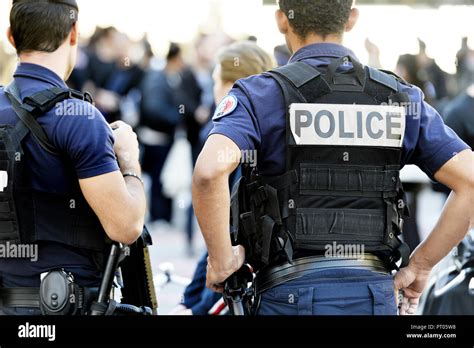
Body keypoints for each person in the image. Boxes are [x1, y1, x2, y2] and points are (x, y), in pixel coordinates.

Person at [193, 0, 474, 316]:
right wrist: (421, 265)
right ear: (352, 19)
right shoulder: (398, 96)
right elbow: (470, 181)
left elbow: (209, 171)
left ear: (282, 20)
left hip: (287, 295)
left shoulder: (259, 94)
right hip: (374, 295)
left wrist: (220, 261)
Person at [0, 0, 146, 315]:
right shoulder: (80, 117)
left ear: (11, 37)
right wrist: (129, 160)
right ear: (74, 33)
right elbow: (127, 226)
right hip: (69, 307)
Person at [172, 41, 274, 315]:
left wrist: (195, 307)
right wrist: (189, 299)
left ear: (232, 86)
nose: (214, 91)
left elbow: (225, 243)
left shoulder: (232, 142)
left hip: (241, 283)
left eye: (217, 82)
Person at [139, 42, 184, 225]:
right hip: (155, 138)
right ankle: (159, 217)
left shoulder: (170, 78)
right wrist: (176, 118)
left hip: (164, 137)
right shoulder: (156, 79)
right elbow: (154, 108)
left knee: (163, 177)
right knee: (158, 178)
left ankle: (163, 216)